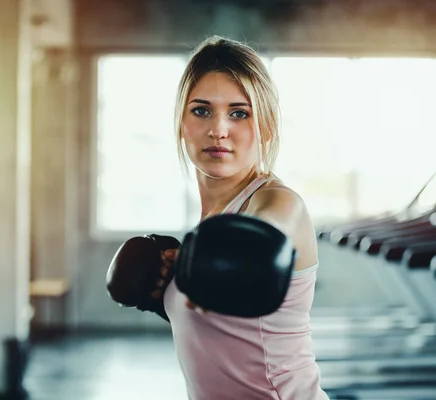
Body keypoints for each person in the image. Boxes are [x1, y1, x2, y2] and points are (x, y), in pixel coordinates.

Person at [107, 35, 329, 400]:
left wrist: (220, 258)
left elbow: (267, 231)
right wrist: (167, 297)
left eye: (239, 113)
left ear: (267, 126)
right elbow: (231, 338)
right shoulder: (209, 225)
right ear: (182, 122)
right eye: (201, 110)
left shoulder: (278, 202)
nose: (218, 130)